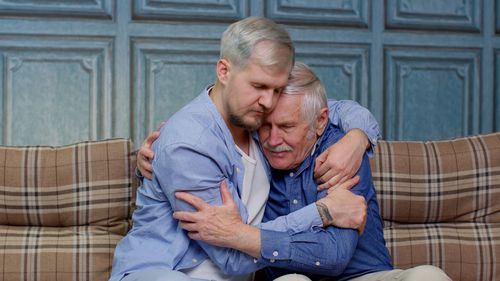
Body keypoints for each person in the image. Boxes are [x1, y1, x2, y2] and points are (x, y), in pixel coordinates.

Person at [110, 17, 379, 281]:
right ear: (224, 71)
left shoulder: (256, 119)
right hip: (168, 272)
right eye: (259, 86)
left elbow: (330, 109)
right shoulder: (190, 143)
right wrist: (323, 212)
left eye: (276, 89)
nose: (268, 101)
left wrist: (358, 137)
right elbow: (232, 255)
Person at [171, 63, 452, 281]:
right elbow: (197, 134)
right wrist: (156, 151)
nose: (272, 140)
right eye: (265, 126)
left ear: (319, 122)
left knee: (429, 276)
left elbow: (335, 256)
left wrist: (244, 236)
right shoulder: (250, 146)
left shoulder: (341, 152)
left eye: (287, 127)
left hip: (362, 277)